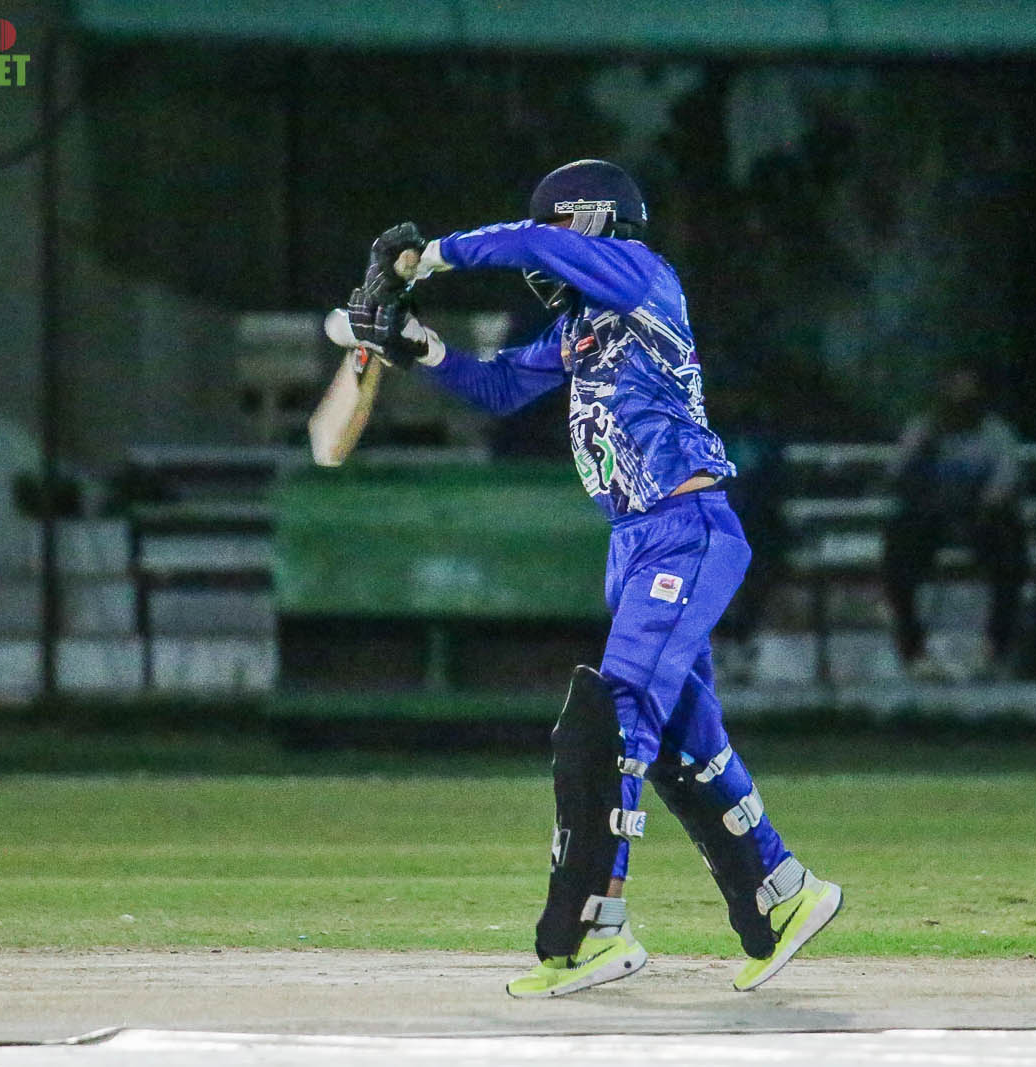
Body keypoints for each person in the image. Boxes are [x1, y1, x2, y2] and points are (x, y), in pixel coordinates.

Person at [307, 159, 841, 997]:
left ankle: (596, 929)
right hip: (637, 541)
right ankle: (784, 892)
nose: (542, 252)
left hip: (685, 527)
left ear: (592, 220)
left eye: (559, 227)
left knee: (611, 718)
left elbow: (529, 242)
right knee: (683, 742)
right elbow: (497, 386)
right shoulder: (586, 326)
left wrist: (428, 259)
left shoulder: (642, 274)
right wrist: (417, 344)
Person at [883, 366, 1031, 682]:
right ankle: (914, 652)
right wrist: (923, 452)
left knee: (1010, 551)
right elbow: (896, 475)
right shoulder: (922, 430)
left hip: (979, 516)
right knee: (898, 550)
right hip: (931, 516)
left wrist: (984, 505)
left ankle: (996, 649)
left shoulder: (996, 435)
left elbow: (1005, 482)